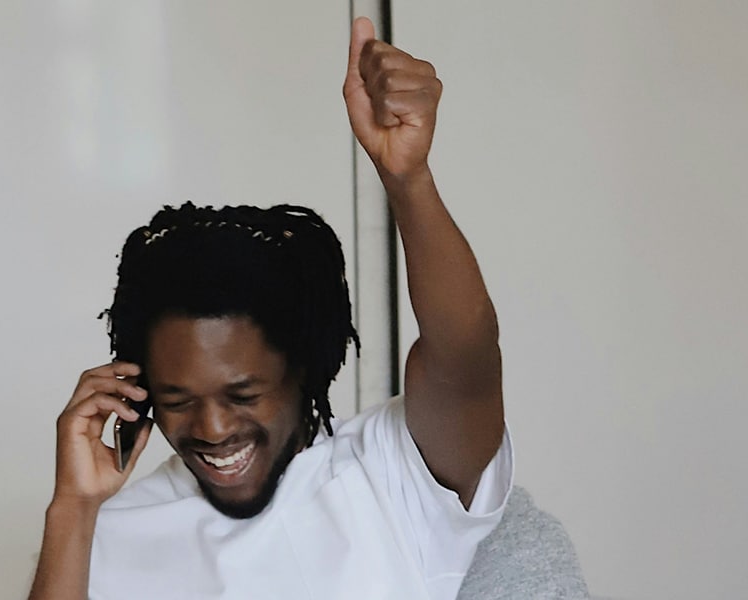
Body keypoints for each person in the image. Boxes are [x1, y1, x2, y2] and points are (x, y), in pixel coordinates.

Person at [29, 16, 510, 600]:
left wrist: (407, 177)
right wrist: (72, 510)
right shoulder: (107, 535)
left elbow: (465, 354)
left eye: (243, 395)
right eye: (178, 401)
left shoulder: (389, 477)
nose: (213, 429)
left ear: (301, 367)